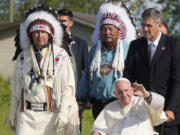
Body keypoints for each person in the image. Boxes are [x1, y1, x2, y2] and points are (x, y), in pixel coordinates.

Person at [7, 5, 79, 135]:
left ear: (50, 34)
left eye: (43, 32)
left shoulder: (60, 55)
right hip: (26, 116)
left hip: (51, 115)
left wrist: (63, 113)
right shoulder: (23, 57)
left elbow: (68, 87)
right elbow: (16, 86)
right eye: (36, 32)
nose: (40, 35)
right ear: (30, 35)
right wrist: (12, 111)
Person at [123, 8, 180, 135]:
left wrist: (171, 109)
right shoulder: (135, 46)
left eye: (149, 25)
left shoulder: (174, 45)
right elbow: (128, 76)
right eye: (143, 25)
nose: (145, 29)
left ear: (159, 25)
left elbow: (177, 81)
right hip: (142, 114)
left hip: (167, 115)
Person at [76, 3, 137, 120]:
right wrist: (81, 101)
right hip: (98, 104)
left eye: (111, 29)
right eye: (103, 29)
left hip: (121, 103)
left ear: (119, 31)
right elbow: (86, 77)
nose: (107, 32)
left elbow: (134, 76)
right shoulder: (95, 50)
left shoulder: (127, 49)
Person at [91, 78, 167, 135]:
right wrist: (96, 133)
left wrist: (147, 95)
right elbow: (99, 128)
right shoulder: (110, 107)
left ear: (132, 89)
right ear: (115, 94)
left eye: (126, 90)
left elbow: (159, 104)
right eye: (120, 92)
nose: (124, 94)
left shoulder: (143, 101)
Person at [58, 8, 88, 89]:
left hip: (76, 90)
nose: (60, 24)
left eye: (63, 21)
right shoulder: (52, 43)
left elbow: (86, 71)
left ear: (71, 23)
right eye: (59, 21)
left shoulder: (81, 43)